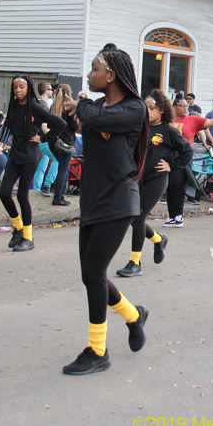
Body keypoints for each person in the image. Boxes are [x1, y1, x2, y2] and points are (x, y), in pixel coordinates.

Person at [64, 44, 149, 376]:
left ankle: (97, 350)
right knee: (90, 274)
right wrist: (74, 112)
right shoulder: (96, 106)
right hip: (92, 197)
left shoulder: (134, 108)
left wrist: (81, 106)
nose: (89, 74)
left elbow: (95, 118)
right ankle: (133, 315)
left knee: (94, 273)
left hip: (119, 199)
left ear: (111, 75)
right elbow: (86, 122)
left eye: (94, 69)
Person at [116, 90, 192, 277]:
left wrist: (171, 165)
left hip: (156, 179)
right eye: (146, 108)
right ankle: (158, 240)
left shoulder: (169, 131)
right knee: (132, 217)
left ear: (162, 110)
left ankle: (135, 263)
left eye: (152, 108)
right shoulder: (140, 128)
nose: (148, 111)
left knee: (138, 217)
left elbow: (187, 151)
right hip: (137, 178)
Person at [0, 75, 65, 252]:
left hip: (30, 156)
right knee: (4, 193)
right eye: (15, 87)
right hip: (15, 155)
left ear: (28, 88)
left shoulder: (35, 106)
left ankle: (28, 238)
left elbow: (60, 123)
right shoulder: (13, 106)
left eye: (21, 87)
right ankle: (19, 228)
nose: (18, 90)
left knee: (22, 196)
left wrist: (43, 138)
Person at [164, 97, 213, 227]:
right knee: (170, 187)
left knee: (178, 185)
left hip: (183, 157)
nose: (185, 108)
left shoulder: (192, 119)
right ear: (174, 107)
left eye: (187, 106)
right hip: (168, 156)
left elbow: (210, 122)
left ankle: (178, 216)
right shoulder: (168, 120)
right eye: (182, 106)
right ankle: (171, 216)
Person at [48, 84, 80, 206]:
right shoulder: (68, 108)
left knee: (62, 168)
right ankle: (58, 197)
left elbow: (49, 125)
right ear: (69, 94)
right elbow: (75, 127)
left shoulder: (53, 106)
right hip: (66, 143)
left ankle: (60, 194)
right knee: (63, 169)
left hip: (54, 142)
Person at [31, 81, 58, 196]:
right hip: (42, 139)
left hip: (35, 140)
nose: (52, 91)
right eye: (51, 89)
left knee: (42, 165)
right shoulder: (44, 106)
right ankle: (47, 184)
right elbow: (44, 126)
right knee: (57, 159)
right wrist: (54, 136)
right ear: (46, 91)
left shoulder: (36, 102)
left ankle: (36, 188)